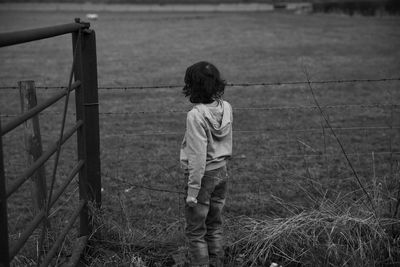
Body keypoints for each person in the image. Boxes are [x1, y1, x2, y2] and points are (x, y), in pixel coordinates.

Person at [180, 61, 233, 267]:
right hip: (222, 173)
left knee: (196, 231)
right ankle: (216, 263)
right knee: (214, 225)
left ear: (192, 86)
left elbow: (197, 156)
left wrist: (193, 191)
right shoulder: (226, 107)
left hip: (202, 178)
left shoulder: (195, 115)